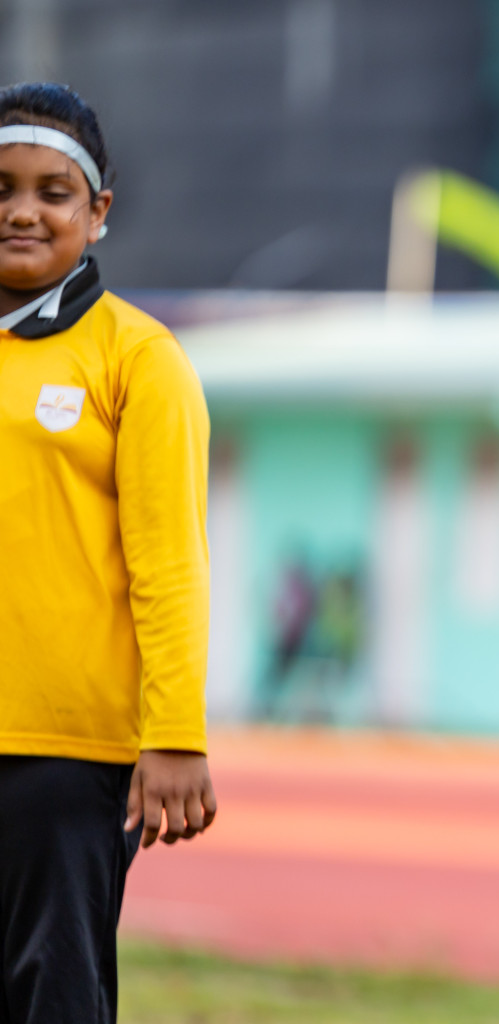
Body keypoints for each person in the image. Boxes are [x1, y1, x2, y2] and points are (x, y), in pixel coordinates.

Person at [0, 83, 217, 1022]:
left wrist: (175, 733)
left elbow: (170, 560)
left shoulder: (139, 358)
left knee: (55, 996)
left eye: (54, 191)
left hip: (66, 752)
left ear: (98, 216)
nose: (21, 209)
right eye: (3, 186)